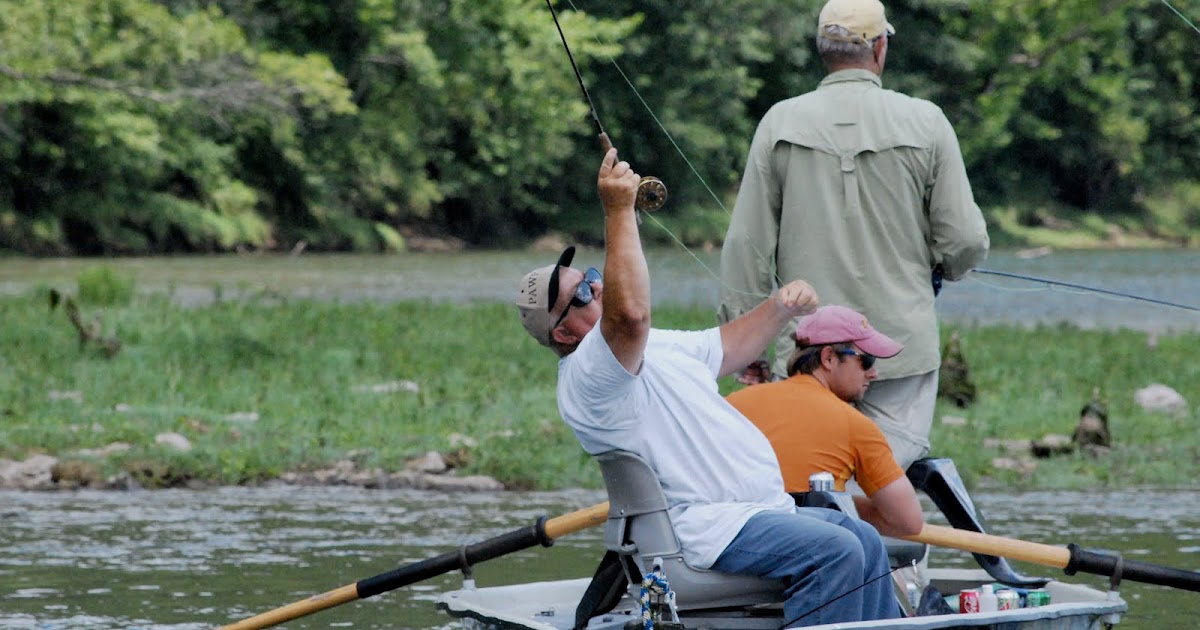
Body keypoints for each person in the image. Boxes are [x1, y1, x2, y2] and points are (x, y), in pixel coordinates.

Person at [515, 147, 899, 626]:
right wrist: (618, 210)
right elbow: (630, 314)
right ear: (564, 334)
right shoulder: (590, 371)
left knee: (861, 538)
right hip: (705, 529)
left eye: (593, 276)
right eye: (585, 293)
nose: (600, 286)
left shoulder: (649, 347)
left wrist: (780, 306)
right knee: (838, 550)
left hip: (752, 512)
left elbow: (726, 348)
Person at [717, 0, 990, 471]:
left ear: (822, 50)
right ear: (880, 47)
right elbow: (964, 240)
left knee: (814, 476)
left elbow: (746, 246)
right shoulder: (926, 121)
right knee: (881, 473)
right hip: (899, 349)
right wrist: (946, 268)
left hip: (807, 353)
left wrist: (747, 344)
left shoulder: (779, 122)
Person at [726, 305, 924, 538]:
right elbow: (907, 522)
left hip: (724, 541)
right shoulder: (856, 425)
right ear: (828, 358)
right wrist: (835, 505)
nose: (873, 373)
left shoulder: (732, 404)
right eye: (867, 361)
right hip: (804, 551)